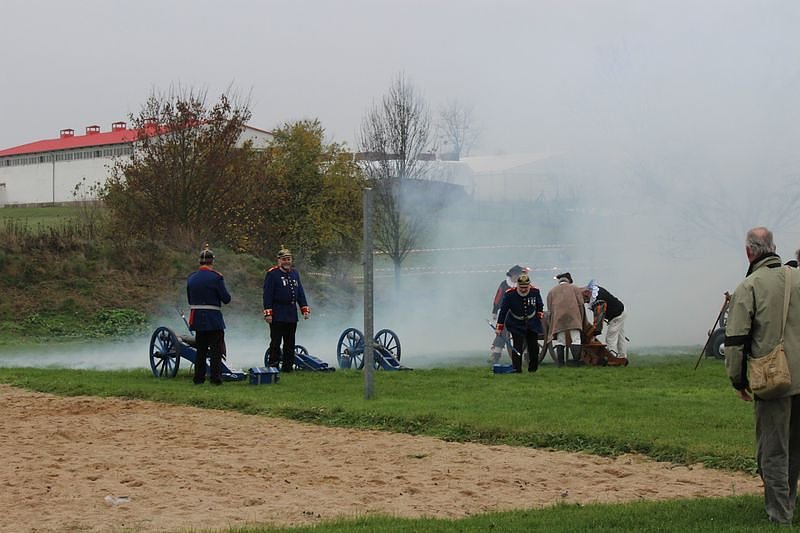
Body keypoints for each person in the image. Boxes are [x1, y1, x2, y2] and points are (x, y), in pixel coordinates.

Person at [725, 226, 800, 525]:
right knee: (794, 447)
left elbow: (736, 341)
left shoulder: (749, 286)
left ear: (749, 251)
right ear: (774, 247)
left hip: (773, 380)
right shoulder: (796, 278)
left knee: (771, 451)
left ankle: (780, 515)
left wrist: (738, 380)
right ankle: (788, 503)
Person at [186, 246, 231, 385]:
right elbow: (226, 298)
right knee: (216, 350)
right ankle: (215, 379)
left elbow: (189, 300)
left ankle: (198, 379)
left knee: (201, 350)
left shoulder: (192, 278)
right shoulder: (216, 277)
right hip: (213, 318)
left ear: (200, 262)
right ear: (212, 262)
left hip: (198, 317)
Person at [263, 245, 310, 373]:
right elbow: (267, 295)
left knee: (290, 342)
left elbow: (300, 292)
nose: (287, 262)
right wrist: (268, 313)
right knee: (276, 342)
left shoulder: (295, 273)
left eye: (289, 259)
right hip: (278, 313)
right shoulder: (272, 274)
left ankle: (287, 368)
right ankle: (273, 366)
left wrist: (304, 308)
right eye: (284, 259)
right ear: (279, 261)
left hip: (291, 313)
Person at [495, 274, 544, 373]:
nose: (523, 290)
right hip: (515, 324)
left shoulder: (535, 291)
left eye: (526, 287)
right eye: (521, 287)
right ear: (517, 285)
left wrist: (539, 316)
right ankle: (517, 369)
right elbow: (503, 311)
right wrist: (499, 327)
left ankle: (533, 369)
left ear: (529, 285)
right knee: (517, 347)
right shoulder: (510, 294)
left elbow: (540, 305)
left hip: (532, 323)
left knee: (534, 347)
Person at [489, 265, 529, 364]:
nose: (517, 277)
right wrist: (495, 310)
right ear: (511, 275)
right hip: (506, 313)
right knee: (502, 333)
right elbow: (498, 297)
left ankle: (527, 354)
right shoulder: (504, 284)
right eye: (516, 275)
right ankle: (496, 355)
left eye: (519, 275)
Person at [545, 272, 587, 367]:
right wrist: (581, 319)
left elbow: (550, 310)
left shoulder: (552, 291)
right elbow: (581, 305)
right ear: (569, 280)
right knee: (576, 339)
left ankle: (561, 363)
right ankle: (576, 362)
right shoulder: (575, 288)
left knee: (561, 341)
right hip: (573, 318)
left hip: (559, 319)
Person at [583, 281, 628, 359]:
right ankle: (622, 356)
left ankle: (612, 356)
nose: (586, 302)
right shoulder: (595, 291)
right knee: (621, 337)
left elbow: (598, 321)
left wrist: (593, 333)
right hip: (620, 311)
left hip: (617, 316)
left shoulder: (598, 300)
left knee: (610, 338)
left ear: (587, 293)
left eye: (585, 299)